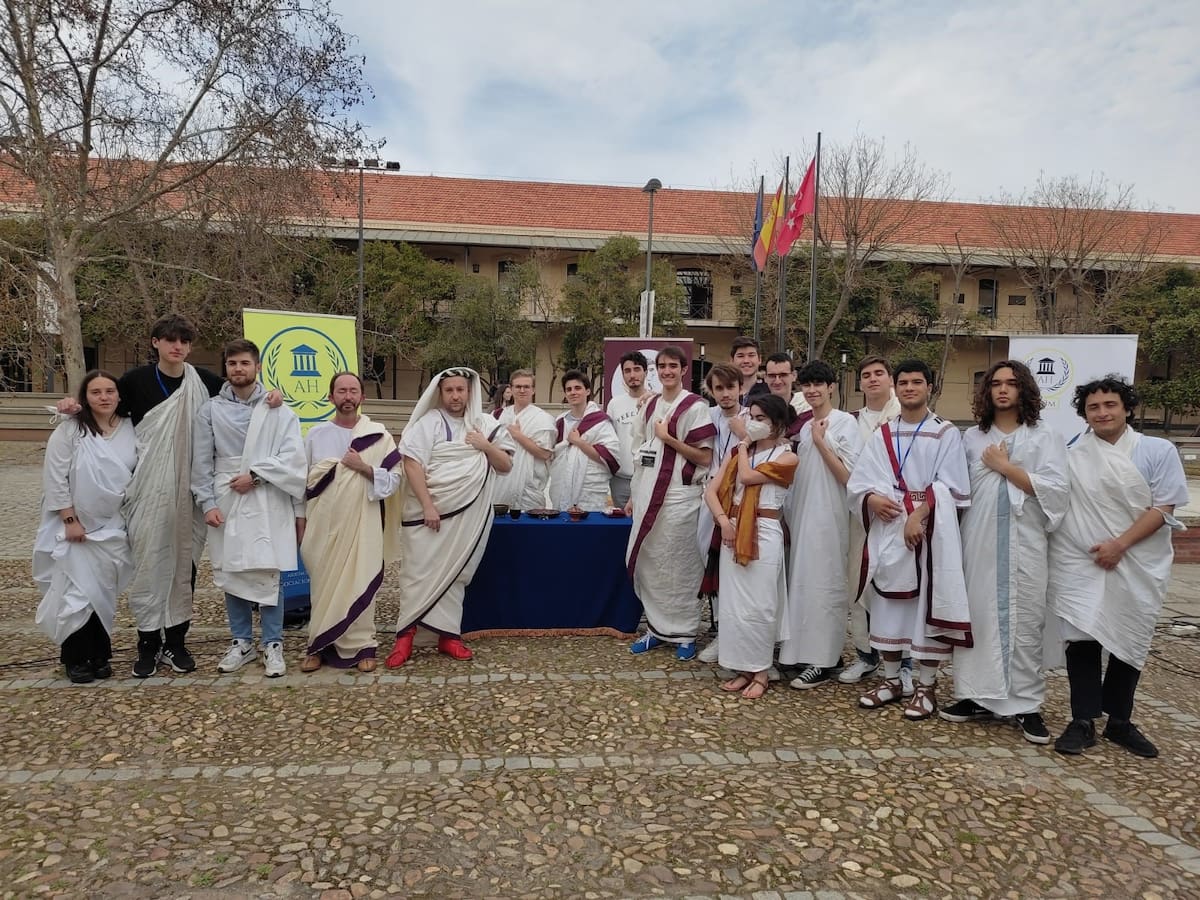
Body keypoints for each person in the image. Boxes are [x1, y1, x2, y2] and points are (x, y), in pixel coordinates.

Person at [1049, 376, 1188, 758]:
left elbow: (1164, 507)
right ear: (1084, 414)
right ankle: (1082, 720)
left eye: (1110, 405)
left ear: (1127, 408)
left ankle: (1120, 721)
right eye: (1093, 407)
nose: (1102, 412)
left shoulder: (1157, 450)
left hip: (1137, 560)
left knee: (1130, 636)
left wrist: (1119, 545)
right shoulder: (1072, 452)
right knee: (1082, 637)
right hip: (1082, 560)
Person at [940, 361, 1068, 743]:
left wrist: (1004, 467)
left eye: (1011, 383)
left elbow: (1057, 491)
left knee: (1025, 621)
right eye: (995, 383)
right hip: (978, 541)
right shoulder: (972, 437)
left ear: (1023, 389)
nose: (1002, 389)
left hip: (1024, 542)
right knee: (978, 617)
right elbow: (956, 488)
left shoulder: (1044, 436)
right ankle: (974, 696)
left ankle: (1026, 705)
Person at [847, 359, 971, 720]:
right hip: (890, 528)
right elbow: (859, 481)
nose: (909, 388)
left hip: (932, 531)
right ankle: (891, 680)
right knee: (889, 604)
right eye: (903, 383)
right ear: (896, 387)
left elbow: (952, 485)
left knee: (926, 606)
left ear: (929, 387)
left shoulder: (945, 433)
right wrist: (871, 499)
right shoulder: (884, 434)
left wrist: (918, 515)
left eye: (917, 382)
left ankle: (926, 685)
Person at [191, 340, 307, 678]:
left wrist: (256, 476)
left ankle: (273, 643)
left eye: (244, 363)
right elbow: (201, 461)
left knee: (268, 569)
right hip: (226, 496)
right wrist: (207, 503)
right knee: (232, 571)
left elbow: (294, 458)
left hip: (267, 497)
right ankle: (241, 642)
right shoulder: (210, 410)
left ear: (257, 367)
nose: (238, 369)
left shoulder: (278, 410)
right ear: (225, 368)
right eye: (232, 364)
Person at [386, 368, 513, 667]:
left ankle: (449, 637)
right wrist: (428, 506)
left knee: (456, 574)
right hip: (428, 514)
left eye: (460, 390)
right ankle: (405, 637)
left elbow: (506, 465)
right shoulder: (428, 423)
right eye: (449, 390)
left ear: (469, 392)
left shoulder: (486, 424)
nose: (455, 396)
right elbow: (412, 464)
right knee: (417, 574)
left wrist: (485, 446)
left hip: (468, 515)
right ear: (440, 393)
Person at [34, 371, 137, 683]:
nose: (104, 397)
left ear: (119, 395)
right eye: (96, 392)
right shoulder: (71, 430)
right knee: (76, 592)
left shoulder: (132, 428)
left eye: (109, 391)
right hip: (76, 526)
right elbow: (55, 478)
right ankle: (76, 658)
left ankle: (100, 654)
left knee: (102, 592)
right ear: (85, 397)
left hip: (114, 525)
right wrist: (70, 520)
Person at [299, 372, 402, 673]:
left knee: (360, 577)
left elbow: (394, 481)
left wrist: (363, 467)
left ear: (362, 397)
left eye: (353, 391)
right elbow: (302, 482)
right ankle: (318, 646)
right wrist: (300, 520)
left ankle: (362, 646)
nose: (348, 396)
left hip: (362, 524)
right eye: (342, 391)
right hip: (322, 526)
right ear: (331, 396)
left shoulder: (379, 436)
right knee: (322, 587)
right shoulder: (315, 435)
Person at [704, 395, 798, 698]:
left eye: (761, 419)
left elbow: (747, 477)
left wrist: (743, 444)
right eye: (752, 417)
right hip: (732, 531)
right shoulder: (737, 453)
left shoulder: (787, 457)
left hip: (764, 533)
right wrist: (723, 521)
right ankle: (742, 668)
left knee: (760, 604)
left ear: (777, 423)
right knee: (734, 606)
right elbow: (711, 492)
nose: (754, 423)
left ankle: (761, 670)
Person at [627, 345, 715, 660]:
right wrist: (634, 495)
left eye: (673, 366)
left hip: (680, 497)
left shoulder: (695, 406)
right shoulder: (650, 405)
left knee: (681, 564)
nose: (667, 371)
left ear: (683, 370)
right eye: (662, 366)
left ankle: (685, 633)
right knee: (652, 562)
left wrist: (669, 439)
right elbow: (639, 449)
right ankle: (656, 629)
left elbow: (704, 457)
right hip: (647, 493)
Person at [780, 361, 864, 688]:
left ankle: (825, 659)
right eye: (807, 385)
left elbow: (850, 478)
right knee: (803, 585)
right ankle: (805, 653)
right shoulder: (804, 428)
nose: (812, 390)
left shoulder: (845, 423)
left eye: (819, 384)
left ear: (831, 387)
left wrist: (821, 442)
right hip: (803, 516)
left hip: (830, 518)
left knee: (826, 586)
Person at [838, 356, 911, 692]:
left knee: (899, 585)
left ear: (890, 379)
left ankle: (905, 662)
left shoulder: (906, 416)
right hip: (862, 513)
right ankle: (866, 656)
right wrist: (867, 499)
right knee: (860, 583)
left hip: (899, 515)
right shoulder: (852, 421)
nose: (872, 379)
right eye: (865, 375)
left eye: (879, 373)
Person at [697, 363, 750, 664]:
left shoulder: (752, 418)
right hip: (710, 498)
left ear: (741, 387)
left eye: (731, 387)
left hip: (741, 500)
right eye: (719, 388)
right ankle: (719, 628)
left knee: (736, 567)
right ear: (711, 391)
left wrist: (744, 434)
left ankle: (739, 633)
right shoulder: (706, 415)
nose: (725, 394)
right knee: (711, 561)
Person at [550, 370, 620, 511]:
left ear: (587, 391)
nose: (573, 392)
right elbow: (553, 454)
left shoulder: (600, 422)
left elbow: (610, 456)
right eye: (569, 389)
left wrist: (578, 442)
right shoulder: (560, 422)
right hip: (562, 485)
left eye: (578, 388)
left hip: (589, 488)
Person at [492, 369, 555, 510]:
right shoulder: (498, 416)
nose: (522, 390)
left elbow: (545, 453)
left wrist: (518, 436)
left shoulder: (543, 419)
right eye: (518, 386)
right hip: (500, 485)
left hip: (529, 489)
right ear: (511, 389)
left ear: (533, 390)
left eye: (526, 387)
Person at [607, 351, 652, 508]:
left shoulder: (656, 401)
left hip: (647, 478)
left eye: (637, 369)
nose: (632, 375)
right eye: (627, 371)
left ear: (645, 372)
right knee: (621, 521)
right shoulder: (614, 404)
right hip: (619, 479)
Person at [763, 352, 812, 426]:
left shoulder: (807, 406)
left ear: (794, 375)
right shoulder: (759, 409)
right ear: (765, 378)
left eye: (783, 375)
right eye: (772, 376)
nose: (777, 381)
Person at [730, 336, 769, 407]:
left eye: (751, 355)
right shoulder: (722, 391)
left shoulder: (769, 391)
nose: (746, 361)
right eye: (740, 356)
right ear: (732, 361)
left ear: (759, 359)